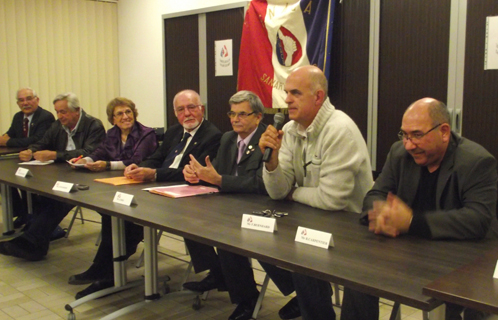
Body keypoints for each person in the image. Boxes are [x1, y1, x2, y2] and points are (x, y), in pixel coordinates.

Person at [341, 98, 497, 320]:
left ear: (444, 131)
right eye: (404, 135)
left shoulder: (477, 161)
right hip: (412, 252)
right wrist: (383, 214)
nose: (408, 144)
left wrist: (412, 221)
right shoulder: (399, 154)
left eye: (417, 135)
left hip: (463, 259)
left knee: (462, 305)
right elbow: (374, 195)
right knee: (358, 277)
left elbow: (478, 220)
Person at [69, 89, 222, 299]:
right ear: (175, 113)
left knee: (128, 216)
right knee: (112, 210)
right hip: (158, 188)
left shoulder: (212, 135)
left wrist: (154, 173)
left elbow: (192, 172)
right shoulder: (174, 131)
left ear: (201, 109)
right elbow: (157, 156)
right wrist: (138, 167)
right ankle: (107, 269)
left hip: (186, 195)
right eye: (181, 109)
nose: (187, 113)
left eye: (191, 107)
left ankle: (106, 271)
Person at [257, 65, 373, 320]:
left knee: (303, 255)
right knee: (259, 242)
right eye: (286, 92)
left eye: (295, 93)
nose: (286, 99)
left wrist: (294, 193)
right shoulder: (288, 130)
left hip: (354, 232)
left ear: (318, 97)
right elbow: (278, 193)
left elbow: (332, 200)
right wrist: (272, 162)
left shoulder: (339, 129)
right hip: (313, 222)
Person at [181, 90, 267, 320]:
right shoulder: (228, 138)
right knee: (189, 217)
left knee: (228, 235)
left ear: (258, 117)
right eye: (232, 113)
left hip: (259, 205)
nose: (235, 119)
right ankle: (218, 273)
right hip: (229, 201)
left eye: (242, 114)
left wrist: (218, 180)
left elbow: (261, 184)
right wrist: (197, 174)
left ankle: (247, 298)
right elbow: (216, 170)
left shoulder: (266, 139)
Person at [0, 92, 106, 261]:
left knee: (61, 198)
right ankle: (34, 241)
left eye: (63, 112)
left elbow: (89, 152)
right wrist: (31, 150)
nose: (59, 116)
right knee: (44, 195)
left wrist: (55, 155)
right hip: (64, 174)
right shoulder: (58, 125)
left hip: (87, 175)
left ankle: (32, 241)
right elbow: (42, 142)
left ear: (77, 110)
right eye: (57, 112)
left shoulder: (93, 125)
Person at [0, 87, 55, 228]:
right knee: (5, 178)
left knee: (24, 181)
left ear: (37, 100)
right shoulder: (18, 117)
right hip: (22, 159)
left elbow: (36, 140)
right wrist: (4, 138)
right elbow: (10, 134)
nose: (25, 103)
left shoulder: (45, 117)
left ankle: (34, 217)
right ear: (17, 103)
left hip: (41, 161)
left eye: (29, 98)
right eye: (21, 100)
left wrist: (7, 141)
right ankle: (21, 212)